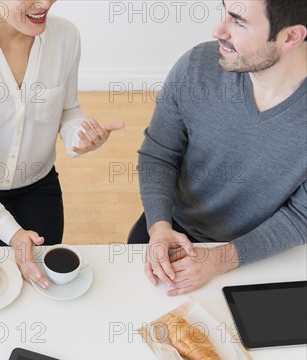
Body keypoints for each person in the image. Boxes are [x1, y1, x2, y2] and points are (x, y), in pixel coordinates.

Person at [0, 0, 124, 288]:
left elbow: (68, 110)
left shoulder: (66, 37)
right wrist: (13, 234)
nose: (46, 4)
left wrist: (79, 135)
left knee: (47, 277)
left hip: (37, 184)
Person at [129, 0, 306, 295]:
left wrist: (218, 260)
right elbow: (158, 154)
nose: (218, 30)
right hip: (172, 229)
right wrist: (159, 227)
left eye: (238, 21)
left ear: (290, 37)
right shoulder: (196, 67)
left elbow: (300, 217)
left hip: (260, 254)